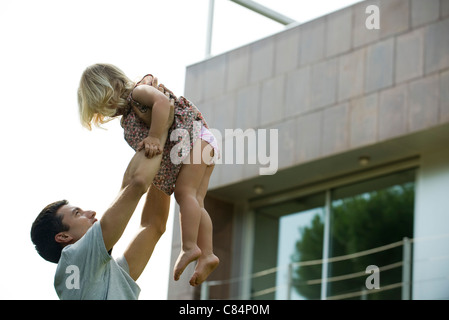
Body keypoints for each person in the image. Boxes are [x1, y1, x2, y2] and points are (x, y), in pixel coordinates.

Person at [77, 63, 220, 286]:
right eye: (103, 110)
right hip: (198, 141)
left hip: (195, 138)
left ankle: (190, 246)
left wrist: (154, 135)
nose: (110, 111)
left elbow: (163, 103)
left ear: (115, 85)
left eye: (108, 102)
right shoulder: (129, 118)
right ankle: (208, 255)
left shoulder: (138, 92)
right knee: (196, 202)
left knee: (185, 194)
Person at [30, 98, 174, 299]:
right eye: (77, 213)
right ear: (63, 237)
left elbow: (153, 225)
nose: (91, 213)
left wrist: (165, 149)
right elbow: (136, 185)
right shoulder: (72, 258)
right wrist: (159, 131)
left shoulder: (103, 274)